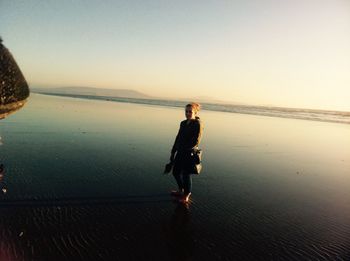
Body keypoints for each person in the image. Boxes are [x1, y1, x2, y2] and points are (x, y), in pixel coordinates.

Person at [170, 102, 203, 203]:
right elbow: (178, 137)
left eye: (190, 111)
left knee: (186, 174)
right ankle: (181, 190)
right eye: (186, 111)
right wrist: (173, 150)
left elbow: (196, 141)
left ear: (195, 112)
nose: (188, 113)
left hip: (189, 153)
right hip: (180, 151)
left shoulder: (198, 124)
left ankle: (186, 195)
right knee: (175, 172)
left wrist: (184, 149)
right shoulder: (183, 123)